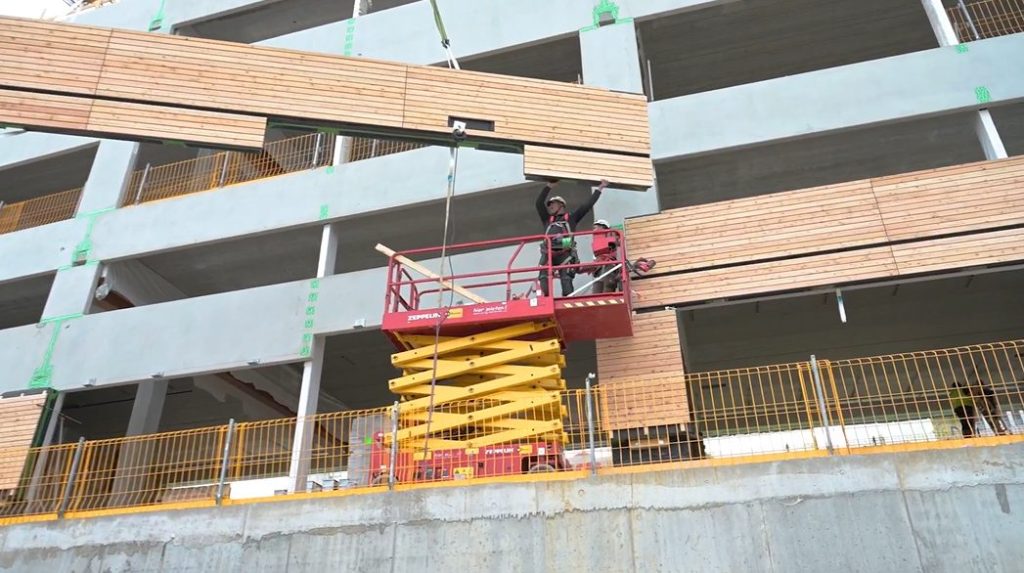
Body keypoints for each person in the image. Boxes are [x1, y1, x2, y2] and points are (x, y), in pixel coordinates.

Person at [535, 179, 608, 297]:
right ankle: (546, 299)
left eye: (553, 203)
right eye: (550, 205)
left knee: (566, 280)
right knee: (543, 277)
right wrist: (549, 186)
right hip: (548, 253)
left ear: (561, 205)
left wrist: (600, 188)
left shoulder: (571, 218)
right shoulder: (547, 219)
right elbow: (538, 203)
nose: (550, 206)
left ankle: (568, 300)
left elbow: (587, 205)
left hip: (565, 253)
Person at [589, 219, 621, 294]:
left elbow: (617, 242)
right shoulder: (596, 241)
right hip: (599, 268)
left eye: (595, 227)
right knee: (596, 292)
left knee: (607, 287)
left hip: (609, 265)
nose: (594, 230)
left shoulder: (611, 235)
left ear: (603, 227)